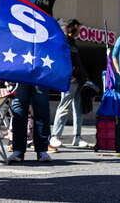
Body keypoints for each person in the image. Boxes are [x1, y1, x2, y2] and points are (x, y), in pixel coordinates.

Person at [5, 0, 67, 164]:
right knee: (20, 106)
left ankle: (42, 148)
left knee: (41, 106)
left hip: (43, 58)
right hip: (21, 57)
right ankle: (18, 150)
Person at [50, 19, 89, 150]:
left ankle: (77, 137)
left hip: (78, 80)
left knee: (78, 109)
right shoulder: (64, 41)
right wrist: (68, 75)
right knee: (64, 107)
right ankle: (55, 136)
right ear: (73, 28)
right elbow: (61, 60)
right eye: (79, 28)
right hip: (70, 80)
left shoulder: (73, 43)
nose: (80, 31)